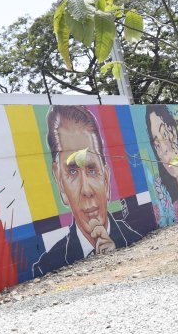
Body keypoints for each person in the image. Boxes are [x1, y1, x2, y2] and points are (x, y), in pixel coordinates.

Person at [32, 106, 142, 277]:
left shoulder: (134, 238)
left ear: (106, 179)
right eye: (72, 171)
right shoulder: (44, 267)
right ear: (60, 182)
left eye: (92, 170)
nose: (86, 190)